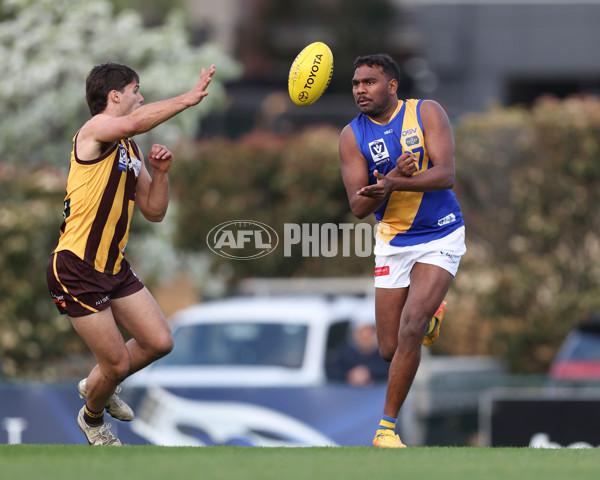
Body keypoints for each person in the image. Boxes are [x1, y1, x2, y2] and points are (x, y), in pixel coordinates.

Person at [46, 62, 216, 445]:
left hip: (113, 266)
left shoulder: (128, 147)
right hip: (76, 266)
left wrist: (161, 173)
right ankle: (92, 416)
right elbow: (134, 122)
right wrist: (188, 99)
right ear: (115, 96)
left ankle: (97, 384)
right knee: (118, 363)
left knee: (159, 341)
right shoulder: (94, 131)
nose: (141, 97)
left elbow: (154, 212)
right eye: (136, 89)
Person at [338, 54, 465, 448]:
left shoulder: (426, 112)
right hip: (392, 241)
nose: (361, 89)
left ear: (391, 85)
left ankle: (386, 430)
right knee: (390, 347)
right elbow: (359, 207)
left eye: (369, 82)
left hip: (441, 233)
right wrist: (394, 178)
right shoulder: (351, 135)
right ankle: (430, 318)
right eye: (356, 83)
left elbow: (445, 174)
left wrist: (394, 184)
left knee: (411, 324)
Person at [327, 312, 389, 386]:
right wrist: (350, 375)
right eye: (361, 335)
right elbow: (332, 370)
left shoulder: (384, 354)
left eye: (368, 336)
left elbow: (389, 370)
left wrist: (369, 373)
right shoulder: (344, 352)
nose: (364, 339)